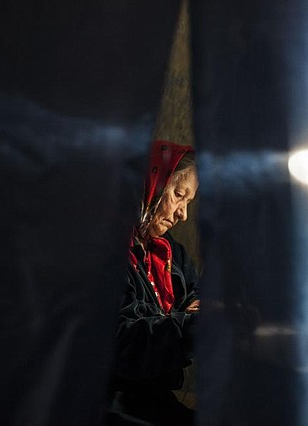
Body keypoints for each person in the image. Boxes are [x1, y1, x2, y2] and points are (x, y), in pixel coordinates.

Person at [107, 140, 200, 426]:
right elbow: (121, 337)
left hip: (154, 395)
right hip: (113, 400)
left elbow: (195, 296)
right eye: (178, 195)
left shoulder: (171, 253)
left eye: (188, 203)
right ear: (151, 183)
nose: (182, 214)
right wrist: (192, 324)